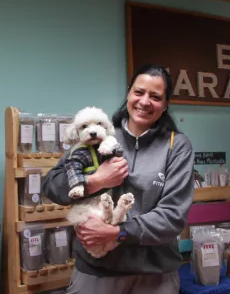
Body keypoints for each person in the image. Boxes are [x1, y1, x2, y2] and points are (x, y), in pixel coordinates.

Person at [41, 64, 195, 294]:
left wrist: (119, 232)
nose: (144, 102)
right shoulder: (99, 134)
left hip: (155, 276)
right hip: (96, 273)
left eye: (155, 97)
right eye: (139, 92)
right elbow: (51, 187)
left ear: (164, 105)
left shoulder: (176, 146)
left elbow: (172, 216)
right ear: (128, 93)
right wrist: (95, 181)